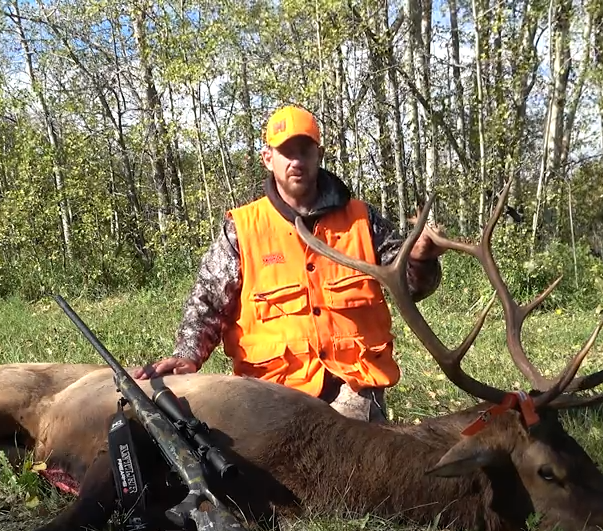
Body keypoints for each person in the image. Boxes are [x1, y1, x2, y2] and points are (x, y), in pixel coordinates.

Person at [133, 105, 447, 422]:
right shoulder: (244, 230)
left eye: (304, 151)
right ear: (268, 158)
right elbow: (209, 301)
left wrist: (420, 259)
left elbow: (412, 286)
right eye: (286, 152)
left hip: (354, 388)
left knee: (348, 457)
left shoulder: (362, 220)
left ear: (319, 154)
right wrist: (187, 356)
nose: (296, 161)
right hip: (272, 394)